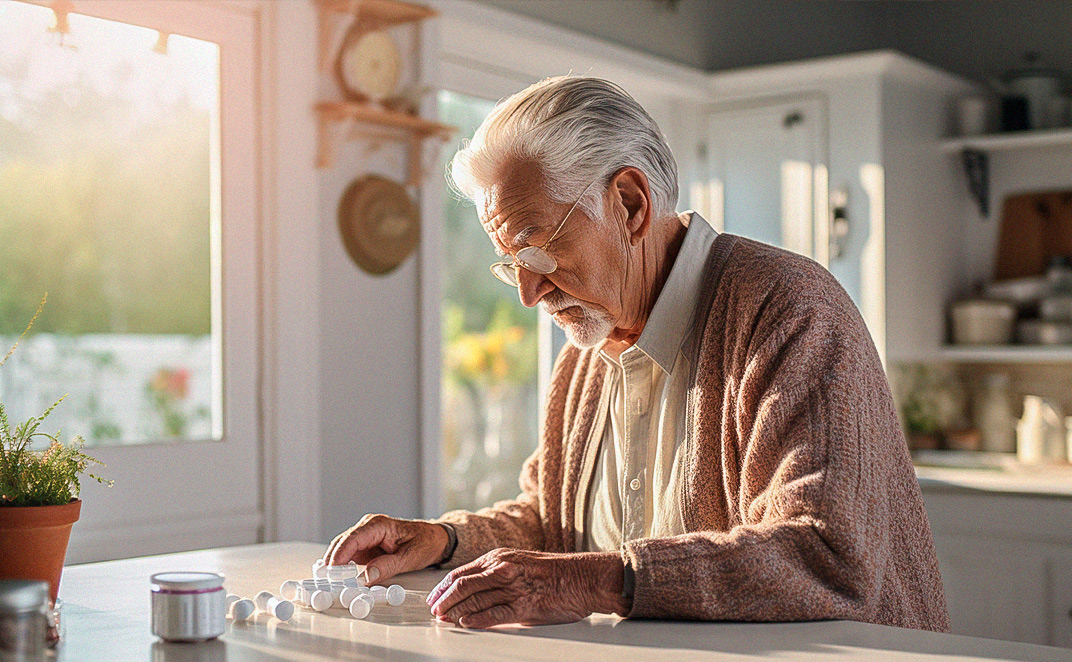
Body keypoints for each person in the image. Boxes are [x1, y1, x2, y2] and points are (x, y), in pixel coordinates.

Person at [324, 76, 950, 632]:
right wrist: (444, 539)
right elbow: (552, 522)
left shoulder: (789, 309)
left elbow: (824, 555)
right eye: (509, 265)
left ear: (628, 203)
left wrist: (595, 581)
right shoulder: (583, 356)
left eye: (537, 252)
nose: (527, 292)